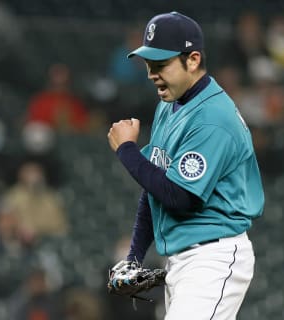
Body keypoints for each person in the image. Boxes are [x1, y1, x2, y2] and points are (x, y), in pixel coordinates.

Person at [106, 12, 265, 319]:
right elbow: (153, 189)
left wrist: (127, 150)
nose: (152, 73)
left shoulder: (213, 118)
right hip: (182, 260)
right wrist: (134, 258)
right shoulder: (170, 104)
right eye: (149, 64)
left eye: (161, 64)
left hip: (213, 257)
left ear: (192, 60)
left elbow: (181, 196)